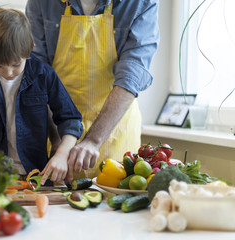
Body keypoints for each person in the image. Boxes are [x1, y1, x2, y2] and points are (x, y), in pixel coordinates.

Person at [25, 0, 160, 181]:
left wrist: (94, 140)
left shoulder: (140, 3)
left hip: (114, 134)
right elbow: (37, 74)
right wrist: (58, 141)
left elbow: (132, 74)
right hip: (57, 133)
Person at [0, 8, 83, 185]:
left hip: (37, 176)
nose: (8, 73)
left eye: (16, 64)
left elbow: (71, 120)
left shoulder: (44, 75)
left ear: (30, 49)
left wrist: (62, 153)